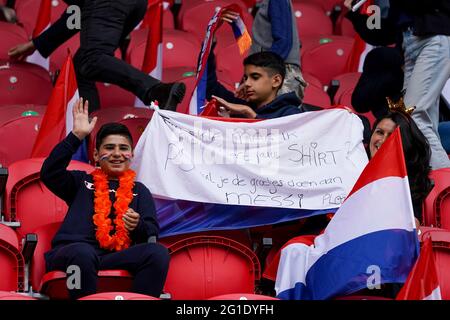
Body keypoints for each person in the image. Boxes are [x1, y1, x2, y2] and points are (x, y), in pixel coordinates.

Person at [263, 101, 432, 297]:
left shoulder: (405, 182)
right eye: (379, 132)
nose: (382, 139)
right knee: (295, 250)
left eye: (391, 135)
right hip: (330, 242)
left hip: (371, 247)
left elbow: (410, 226)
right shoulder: (345, 167)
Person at [40, 98, 170, 299]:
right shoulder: (80, 181)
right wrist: (76, 136)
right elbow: (49, 173)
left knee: (158, 254)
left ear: (132, 154)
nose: (117, 154)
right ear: (95, 154)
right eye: (109, 148)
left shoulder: (140, 190)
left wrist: (137, 226)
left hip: (116, 256)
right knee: (82, 253)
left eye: (123, 148)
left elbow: (150, 233)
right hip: (72, 253)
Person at [8, 0, 185, 113]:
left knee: (92, 59)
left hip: (108, 3)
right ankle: (88, 131)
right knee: (82, 68)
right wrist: (38, 44)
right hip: (133, 5)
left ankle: (157, 90)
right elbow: (78, 11)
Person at [344, 0, 450, 169]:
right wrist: (356, 14)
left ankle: (445, 185)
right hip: (409, 45)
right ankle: (434, 186)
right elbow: (382, 34)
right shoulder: (384, 5)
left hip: (433, 38)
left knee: (411, 117)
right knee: (422, 121)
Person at [224, 1, 307, 100]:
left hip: (279, 72)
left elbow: (283, 42)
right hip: (272, 71)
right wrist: (250, 79)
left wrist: (254, 76)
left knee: (276, 115)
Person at [206, 50, 310, 119]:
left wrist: (251, 115)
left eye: (255, 77)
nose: (246, 83)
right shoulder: (241, 106)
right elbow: (208, 86)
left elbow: (283, 145)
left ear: (276, 81)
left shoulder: (291, 114)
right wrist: (210, 43)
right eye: (245, 78)